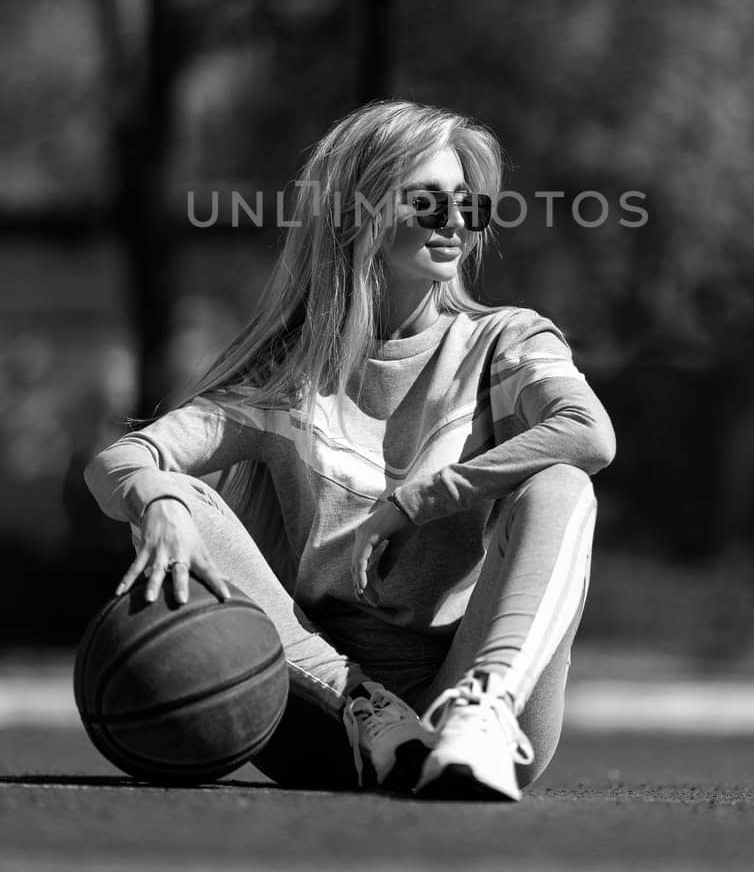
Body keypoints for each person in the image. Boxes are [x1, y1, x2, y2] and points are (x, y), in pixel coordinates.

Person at [84, 99, 615, 801]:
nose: (455, 222)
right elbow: (116, 462)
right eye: (426, 202)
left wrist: (416, 501)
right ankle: (370, 713)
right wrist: (158, 499)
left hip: (467, 699)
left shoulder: (505, 342)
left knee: (562, 486)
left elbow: (587, 433)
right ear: (353, 215)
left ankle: (480, 710)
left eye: (470, 205)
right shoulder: (285, 379)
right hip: (324, 716)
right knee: (177, 495)